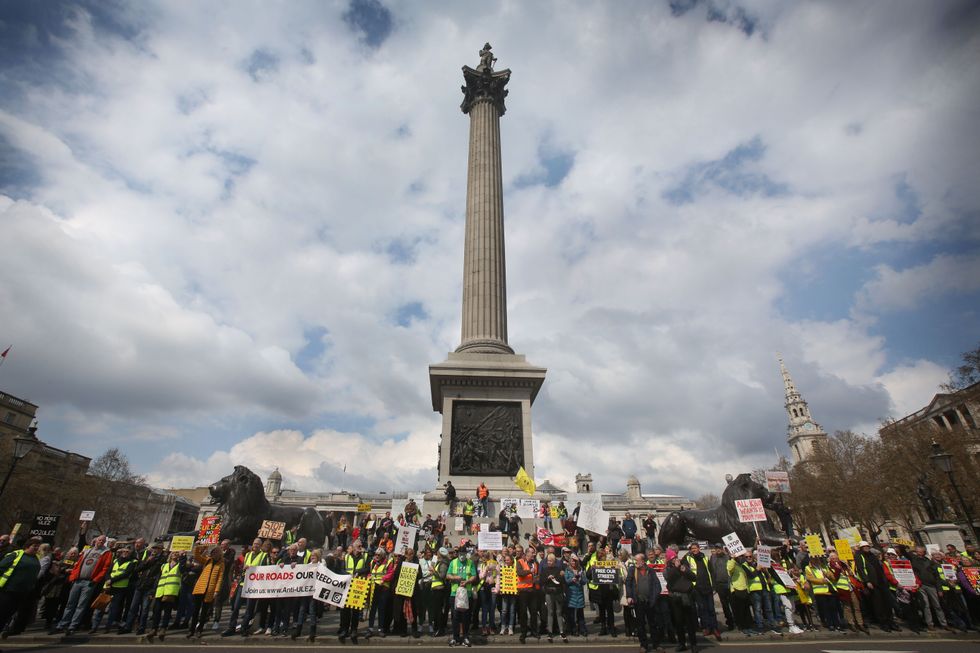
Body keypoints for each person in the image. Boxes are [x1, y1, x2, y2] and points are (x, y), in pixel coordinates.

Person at [54, 531, 113, 635]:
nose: (100, 542)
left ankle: (72, 626)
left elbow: (105, 568)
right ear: (95, 541)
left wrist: (95, 580)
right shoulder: (87, 551)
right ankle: (62, 624)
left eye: (103, 541)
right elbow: (78, 564)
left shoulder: (106, 553)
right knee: (70, 604)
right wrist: (73, 576)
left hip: (89, 582)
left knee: (81, 605)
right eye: (99, 540)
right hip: (78, 580)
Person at [0, 536, 42, 639]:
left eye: (38, 547)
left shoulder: (36, 558)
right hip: (8, 590)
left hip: (22, 592)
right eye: (34, 546)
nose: (36, 548)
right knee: (1, 615)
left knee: (6, 617)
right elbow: (1, 567)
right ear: (28, 546)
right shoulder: (16, 554)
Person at [121, 543, 165, 634]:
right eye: (154, 548)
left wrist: (153, 590)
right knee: (133, 607)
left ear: (161, 549)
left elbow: (159, 575)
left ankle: (141, 627)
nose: (155, 550)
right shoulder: (147, 557)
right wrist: (147, 561)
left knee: (145, 609)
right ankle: (128, 626)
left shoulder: (162, 560)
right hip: (140, 585)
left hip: (150, 587)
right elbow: (138, 569)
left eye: (157, 548)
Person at [625, 552, 663, 653]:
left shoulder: (650, 570)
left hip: (650, 601)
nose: (635, 562)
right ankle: (644, 645)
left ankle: (656, 644)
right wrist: (629, 596)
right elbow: (628, 583)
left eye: (637, 560)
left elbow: (657, 585)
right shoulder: (632, 570)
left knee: (653, 624)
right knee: (640, 624)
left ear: (642, 561)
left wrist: (654, 598)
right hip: (638, 601)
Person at [665, 548, 699, 652]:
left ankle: (693, 644)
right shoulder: (667, 570)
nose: (676, 560)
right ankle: (682, 643)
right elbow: (669, 579)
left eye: (676, 558)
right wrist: (676, 568)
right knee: (679, 622)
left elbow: (694, 577)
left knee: (690, 622)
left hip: (687, 596)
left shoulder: (683, 566)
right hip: (676, 597)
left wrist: (685, 570)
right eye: (673, 559)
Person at [186, 545, 225, 638]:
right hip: (200, 588)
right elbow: (197, 555)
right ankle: (191, 630)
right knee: (195, 611)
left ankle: (199, 630)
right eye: (213, 552)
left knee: (204, 612)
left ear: (219, 554)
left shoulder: (221, 564)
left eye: (216, 553)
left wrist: (217, 590)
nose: (214, 554)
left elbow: (220, 578)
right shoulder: (207, 560)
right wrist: (200, 546)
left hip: (210, 590)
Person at [685, 542, 721, 640]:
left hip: (708, 587)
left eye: (695, 548)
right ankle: (706, 627)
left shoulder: (705, 558)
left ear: (699, 548)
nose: (694, 550)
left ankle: (714, 628)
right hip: (697, 588)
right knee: (702, 609)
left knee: (711, 609)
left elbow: (711, 572)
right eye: (692, 549)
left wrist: (714, 585)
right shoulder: (688, 558)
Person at [147, 551, 184, 641]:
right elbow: (158, 579)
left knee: (167, 612)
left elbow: (183, 568)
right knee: (157, 611)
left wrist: (183, 556)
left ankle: (163, 628)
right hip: (160, 591)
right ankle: (154, 629)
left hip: (171, 592)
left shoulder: (180, 566)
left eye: (176, 553)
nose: (174, 554)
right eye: (173, 553)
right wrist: (153, 591)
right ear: (170, 555)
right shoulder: (164, 566)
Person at [338, 540, 369, 643]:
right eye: (358, 546)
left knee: (355, 610)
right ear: (354, 547)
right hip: (347, 584)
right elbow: (341, 569)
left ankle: (354, 630)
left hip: (358, 586)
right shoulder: (346, 556)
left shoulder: (365, 556)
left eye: (361, 546)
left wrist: (357, 572)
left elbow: (368, 568)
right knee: (345, 610)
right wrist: (348, 574)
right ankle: (344, 630)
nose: (360, 547)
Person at [447, 547, 478, 647]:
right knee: (455, 617)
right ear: (458, 553)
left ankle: (465, 637)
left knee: (466, 617)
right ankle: (455, 638)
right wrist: (455, 577)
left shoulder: (470, 562)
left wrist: (468, 581)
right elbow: (448, 575)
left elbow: (474, 576)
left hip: (467, 594)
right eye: (460, 553)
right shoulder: (453, 562)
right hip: (455, 594)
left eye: (463, 553)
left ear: (466, 553)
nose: (462, 555)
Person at [806, 554, 843, 631]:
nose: (817, 560)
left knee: (833, 608)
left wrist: (835, 571)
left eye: (818, 558)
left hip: (829, 590)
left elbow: (832, 577)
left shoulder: (824, 566)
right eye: (814, 559)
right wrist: (822, 580)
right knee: (825, 609)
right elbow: (810, 579)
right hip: (819, 592)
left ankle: (837, 624)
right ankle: (830, 624)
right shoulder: (808, 568)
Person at [540, 552, 567, 642]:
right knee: (550, 612)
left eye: (550, 561)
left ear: (554, 561)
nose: (549, 562)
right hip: (549, 593)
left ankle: (562, 631)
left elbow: (562, 580)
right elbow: (541, 581)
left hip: (558, 592)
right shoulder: (544, 569)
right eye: (548, 561)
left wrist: (556, 577)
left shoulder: (558, 569)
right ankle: (550, 632)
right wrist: (548, 578)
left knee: (559, 612)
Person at [516, 547, 540, 643]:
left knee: (534, 612)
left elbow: (537, 574)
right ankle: (524, 632)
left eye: (533, 554)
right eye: (531, 554)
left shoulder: (535, 563)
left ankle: (534, 631)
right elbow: (520, 573)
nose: (533, 555)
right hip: (523, 591)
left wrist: (537, 578)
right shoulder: (520, 562)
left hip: (533, 590)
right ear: (526, 554)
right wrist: (530, 571)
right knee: (523, 613)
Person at [709, 544, 734, 631]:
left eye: (719, 548)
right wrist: (713, 585)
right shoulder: (713, 558)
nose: (718, 550)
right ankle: (730, 621)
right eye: (716, 548)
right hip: (719, 584)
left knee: (733, 603)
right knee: (725, 604)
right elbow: (711, 571)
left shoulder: (728, 557)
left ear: (722, 549)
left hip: (729, 583)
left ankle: (735, 620)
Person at [563, 555, 587, 637]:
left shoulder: (580, 569)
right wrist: (571, 580)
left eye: (575, 561)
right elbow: (566, 580)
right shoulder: (567, 570)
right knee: (571, 614)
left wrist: (580, 579)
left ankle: (582, 629)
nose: (573, 562)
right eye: (572, 561)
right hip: (571, 594)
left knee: (580, 614)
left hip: (579, 593)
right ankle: (574, 630)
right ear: (570, 562)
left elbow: (585, 581)